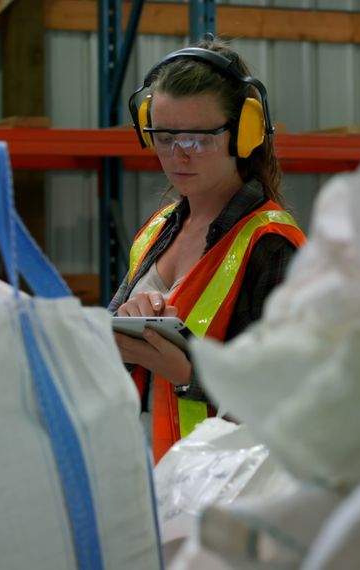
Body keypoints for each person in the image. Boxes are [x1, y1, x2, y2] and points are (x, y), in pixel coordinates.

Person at [110, 37, 306, 462]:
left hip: (224, 490)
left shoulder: (272, 246)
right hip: (152, 474)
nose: (179, 155)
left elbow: (294, 402)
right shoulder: (156, 232)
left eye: (199, 138)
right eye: (163, 136)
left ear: (244, 133)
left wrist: (186, 373)